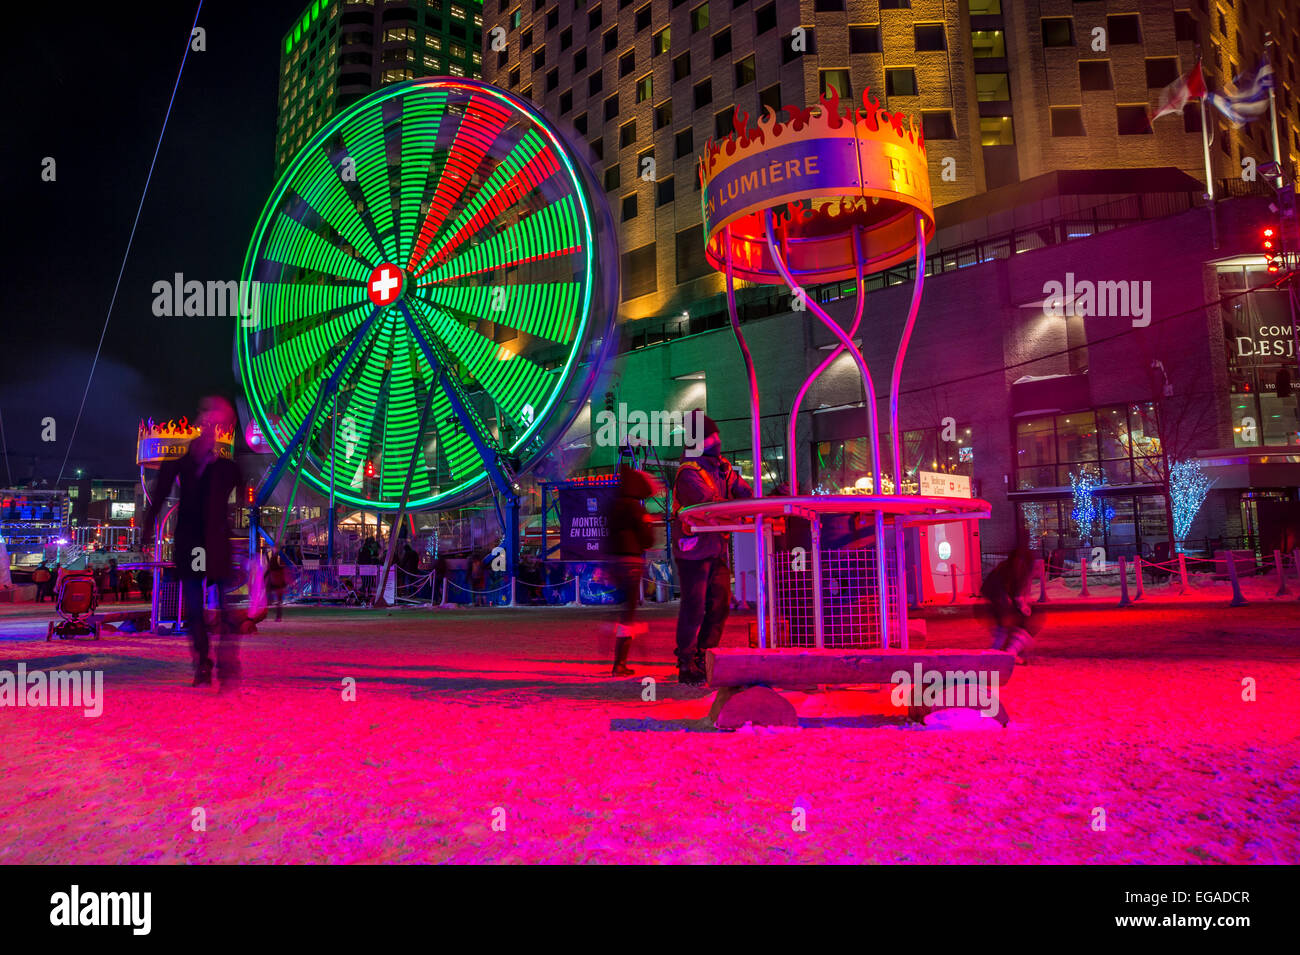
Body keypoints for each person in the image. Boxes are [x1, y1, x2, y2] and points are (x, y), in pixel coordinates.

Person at [142, 396, 243, 689]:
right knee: (196, 610)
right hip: (193, 545)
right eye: (207, 427)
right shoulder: (179, 465)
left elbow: (247, 490)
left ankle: (224, 661)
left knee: (224, 608)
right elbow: (159, 497)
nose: (210, 434)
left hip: (215, 544)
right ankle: (203, 661)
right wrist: (148, 531)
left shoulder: (226, 468)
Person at [671, 414, 752, 685]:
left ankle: (705, 655)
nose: (716, 441)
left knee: (719, 603)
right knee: (695, 605)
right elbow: (709, 506)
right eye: (710, 437)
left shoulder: (723, 469)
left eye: (716, 436)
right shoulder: (690, 472)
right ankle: (686, 660)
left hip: (716, 545)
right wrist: (737, 511)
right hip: (693, 549)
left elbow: (745, 494)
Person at [608, 465, 656, 676]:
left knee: (622, 610)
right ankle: (620, 661)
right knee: (629, 612)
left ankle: (617, 654)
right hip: (632, 561)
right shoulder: (636, 508)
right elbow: (647, 539)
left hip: (615, 560)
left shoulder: (613, 505)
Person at [979, 548, 1041, 663]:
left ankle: (1005, 651)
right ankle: (1002, 652)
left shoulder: (1013, 571)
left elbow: (1015, 594)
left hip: (999, 603)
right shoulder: (1005, 572)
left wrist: (1021, 604)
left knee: (1029, 619)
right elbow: (996, 592)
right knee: (1006, 626)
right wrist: (1009, 602)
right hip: (997, 603)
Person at [267, 547, 288, 622]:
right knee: (279, 601)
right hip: (278, 582)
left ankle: (277, 616)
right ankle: (278, 616)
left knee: (276, 600)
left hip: (275, 582)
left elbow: (268, 570)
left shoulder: (274, 562)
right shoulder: (280, 564)